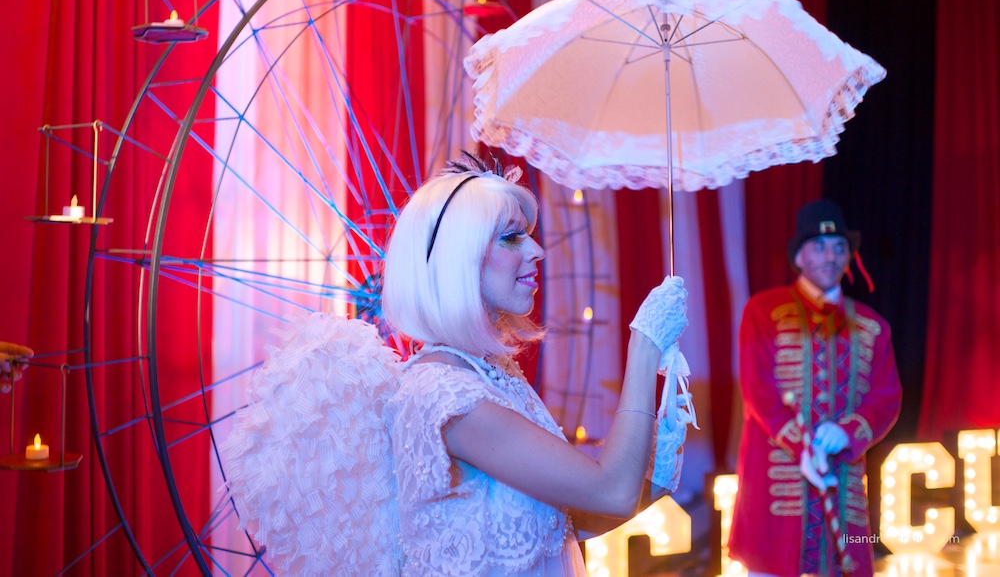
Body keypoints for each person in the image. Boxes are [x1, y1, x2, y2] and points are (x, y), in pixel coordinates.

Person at [222, 153, 693, 576]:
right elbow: (606, 490)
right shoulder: (445, 396)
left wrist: (653, 478)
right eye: (511, 238)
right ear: (457, 262)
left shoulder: (495, 379)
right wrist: (644, 344)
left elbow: (575, 521)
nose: (536, 251)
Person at [728, 199, 901, 577]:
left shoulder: (873, 326)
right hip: (776, 486)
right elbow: (758, 389)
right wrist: (799, 444)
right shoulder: (764, 311)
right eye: (820, 246)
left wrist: (846, 432)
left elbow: (886, 398)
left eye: (840, 247)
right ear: (799, 257)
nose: (831, 256)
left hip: (842, 480)